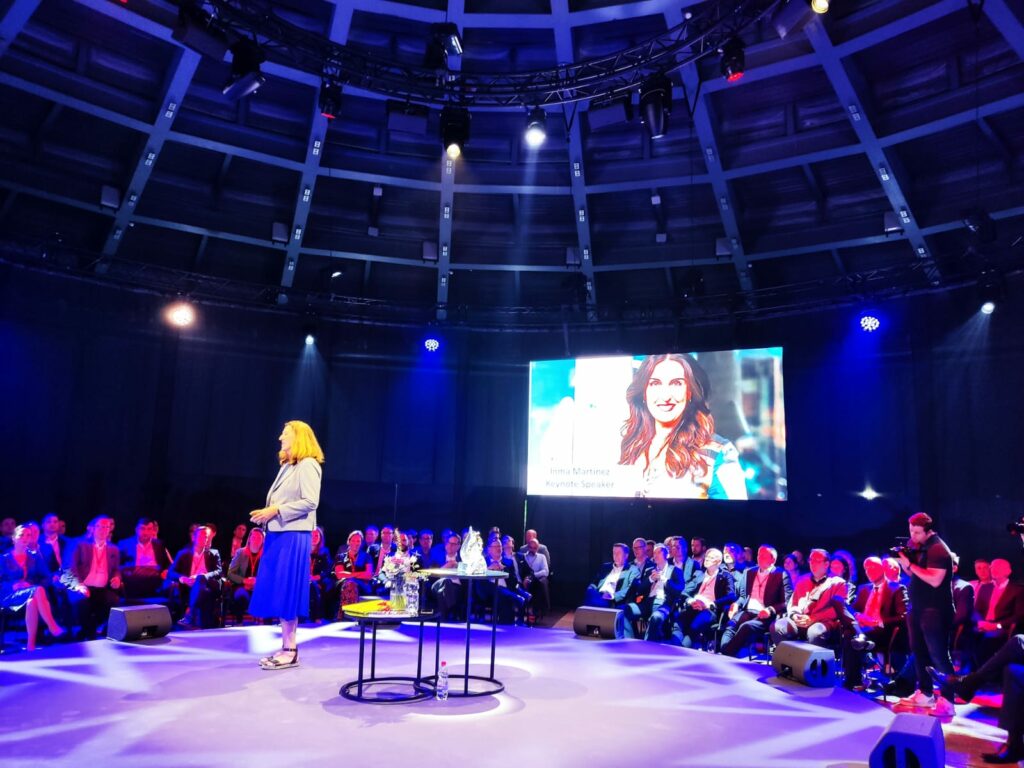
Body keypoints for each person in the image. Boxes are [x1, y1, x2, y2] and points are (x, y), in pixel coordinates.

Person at [249, 420, 324, 670]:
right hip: (278, 534)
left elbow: (311, 502)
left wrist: (276, 510)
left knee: (287, 590)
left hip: (293, 535)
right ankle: (286, 646)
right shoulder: (287, 466)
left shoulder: (308, 464)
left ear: (299, 437)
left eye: (285, 433)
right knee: (279, 590)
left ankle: (290, 650)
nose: (280, 437)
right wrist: (268, 513)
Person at [618, 353, 747, 500]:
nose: (665, 396)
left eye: (676, 383)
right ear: (644, 393)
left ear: (690, 392)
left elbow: (736, 513)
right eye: (655, 383)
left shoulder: (719, 452)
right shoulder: (627, 445)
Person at [895, 512, 956, 716]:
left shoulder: (938, 548)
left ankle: (948, 700)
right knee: (919, 651)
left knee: (939, 655)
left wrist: (910, 564)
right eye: (911, 530)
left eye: (917, 532)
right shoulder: (920, 546)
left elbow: (934, 580)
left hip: (935, 610)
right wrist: (905, 562)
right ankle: (925, 692)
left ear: (928, 531)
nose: (913, 535)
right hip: (918, 607)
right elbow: (915, 574)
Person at [1, 525, 66, 650]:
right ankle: (52, 626)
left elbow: (46, 577)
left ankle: (30, 645)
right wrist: (13, 585)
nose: (25, 538)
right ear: (14, 538)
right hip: (9, 595)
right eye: (21, 535)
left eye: (28, 535)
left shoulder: (35, 557)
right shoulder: (4, 559)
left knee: (32, 600)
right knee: (38, 590)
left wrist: (30, 585)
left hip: (30, 593)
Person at [721, 545, 793, 657]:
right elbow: (743, 597)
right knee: (731, 624)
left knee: (746, 626)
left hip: (765, 615)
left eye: (763, 555)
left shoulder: (781, 574)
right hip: (747, 611)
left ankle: (724, 654)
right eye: (759, 554)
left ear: (773, 559)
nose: (759, 557)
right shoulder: (749, 572)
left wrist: (770, 610)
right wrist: (736, 604)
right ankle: (725, 651)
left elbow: (787, 602)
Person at [771, 548, 847, 647]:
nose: (812, 564)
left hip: (822, 621)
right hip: (800, 620)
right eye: (811, 560)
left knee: (815, 632)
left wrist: (813, 618)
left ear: (826, 564)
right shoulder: (802, 579)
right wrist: (794, 615)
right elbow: (793, 602)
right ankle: (790, 656)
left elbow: (836, 610)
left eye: (817, 561)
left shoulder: (838, 583)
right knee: (777, 626)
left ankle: (814, 658)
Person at [67, 516, 122, 639]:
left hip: (102, 588)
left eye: (106, 527)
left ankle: (93, 629)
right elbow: (70, 567)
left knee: (114, 601)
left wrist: (117, 578)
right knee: (82, 602)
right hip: (82, 586)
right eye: (100, 526)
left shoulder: (113, 549)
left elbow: (116, 569)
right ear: (92, 528)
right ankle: (88, 632)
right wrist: (78, 585)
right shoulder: (80, 544)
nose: (103, 529)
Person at [623, 543, 686, 642]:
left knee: (656, 617)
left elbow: (678, 590)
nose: (655, 555)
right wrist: (650, 579)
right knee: (625, 610)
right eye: (654, 553)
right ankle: (629, 641)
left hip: (664, 604)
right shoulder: (649, 570)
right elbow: (640, 590)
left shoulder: (675, 570)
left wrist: (663, 579)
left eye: (658, 553)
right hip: (647, 603)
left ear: (666, 555)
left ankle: (647, 646)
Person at [675, 548, 735, 648]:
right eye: (706, 557)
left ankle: (682, 649)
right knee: (679, 619)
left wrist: (711, 603)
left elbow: (731, 596)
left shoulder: (725, 576)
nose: (707, 559)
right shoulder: (699, 575)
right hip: (694, 606)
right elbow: (685, 592)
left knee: (696, 624)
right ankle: (675, 646)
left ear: (719, 562)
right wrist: (690, 600)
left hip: (710, 610)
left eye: (711, 557)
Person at [167, 525, 223, 629]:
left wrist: (204, 576)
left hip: (208, 584)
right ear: (194, 538)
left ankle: (190, 614)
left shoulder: (214, 553)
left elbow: (219, 571)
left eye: (206, 536)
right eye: (201, 536)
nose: (204, 538)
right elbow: (170, 572)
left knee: (200, 579)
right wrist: (183, 579)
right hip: (189, 586)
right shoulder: (183, 553)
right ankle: (200, 622)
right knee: (202, 590)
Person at [117, 518, 171, 598]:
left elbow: (168, 564)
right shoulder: (125, 544)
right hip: (134, 581)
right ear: (136, 530)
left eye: (149, 529)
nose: (146, 532)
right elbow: (118, 565)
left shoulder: (159, 544)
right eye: (142, 529)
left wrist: (166, 571)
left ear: (153, 531)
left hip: (156, 581)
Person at [585, 543, 639, 609]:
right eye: (614, 553)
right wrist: (591, 587)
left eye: (619, 553)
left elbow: (630, 588)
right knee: (587, 592)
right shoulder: (606, 567)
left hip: (613, 599)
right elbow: (595, 582)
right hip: (599, 594)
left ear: (626, 555)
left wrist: (613, 596)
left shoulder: (633, 570)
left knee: (591, 602)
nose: (615, 556)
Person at [226, 527, 263, 622]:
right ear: (249, 539)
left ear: (263, 540)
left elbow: (270, 576)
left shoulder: (266, 555)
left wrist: (257, 581)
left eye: (259, 538)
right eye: (254, 537)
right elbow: (230, 573)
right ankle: (239, 623)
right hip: (242, 586)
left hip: (259, 587)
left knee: (267, 595)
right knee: (241, 595)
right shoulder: (240, 553)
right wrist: (244, 580)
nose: (256, 540)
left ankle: (266, 624)